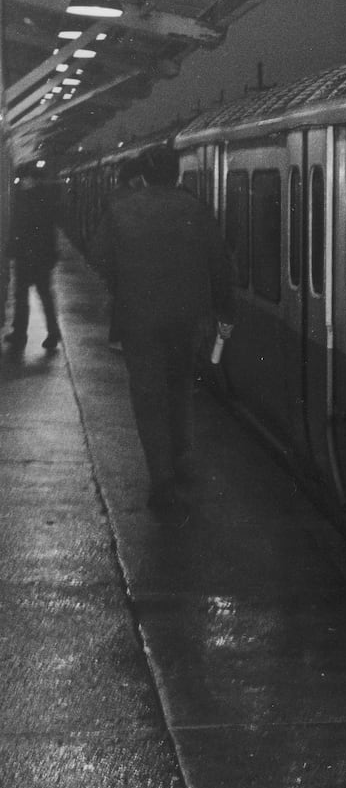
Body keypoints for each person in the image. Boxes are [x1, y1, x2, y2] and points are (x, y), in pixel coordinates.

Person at [91, 145, 235, 520]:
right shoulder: (197, 208)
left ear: (144, 174)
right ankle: (180, 456)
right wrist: (224, 310)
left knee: (148, 399)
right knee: (179, 388)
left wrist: (124, 283)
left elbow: (99, 255)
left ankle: (162, 480)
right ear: (175, 174)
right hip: (186, 319)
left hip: (138, 320)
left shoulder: (121, 209)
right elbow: (219, 264)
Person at [5, 162, 62, 351]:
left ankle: (20, 333)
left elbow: (18, 227)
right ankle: (53, 333)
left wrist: (11, 249)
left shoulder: (25, 199)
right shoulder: (46, 198)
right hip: (42, 256)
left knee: (22, 296)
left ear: (28, 179)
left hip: (26, 255)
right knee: (45, 295)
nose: (21, 182)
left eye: (22, 179)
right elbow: (50, 229)